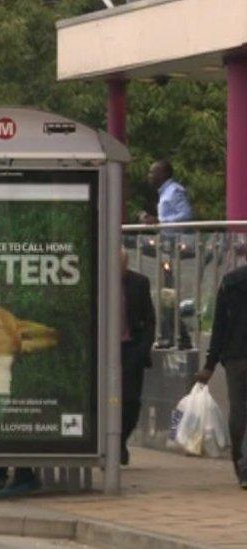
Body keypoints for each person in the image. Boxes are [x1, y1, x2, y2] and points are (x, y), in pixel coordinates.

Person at [195, 262, 247, 489]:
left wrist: (209, 365)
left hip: (236, 358)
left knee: (238, 411)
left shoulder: (230, 282)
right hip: (236, 356)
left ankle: (241, 465)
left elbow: (220, 328)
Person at [139, 159, 193, 349]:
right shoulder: (163, 194)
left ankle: (174, 336)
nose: (149, 176)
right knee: (166, 293)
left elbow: (185, 215)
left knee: (168, 294)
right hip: (166, 248)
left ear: (164, 174)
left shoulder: (174, 191)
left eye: (153, 172)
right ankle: (177, 336)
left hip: (175, 249)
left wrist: (159, 221)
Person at [120, 248, 156, 466]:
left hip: (131, 348)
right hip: (105, 350)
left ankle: (120, 439)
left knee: (131, 401)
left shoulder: (139, 283)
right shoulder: (98, 280)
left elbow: (149, 318)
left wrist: (143, 349)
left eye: (122, 265)